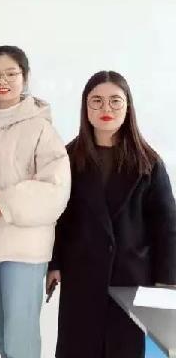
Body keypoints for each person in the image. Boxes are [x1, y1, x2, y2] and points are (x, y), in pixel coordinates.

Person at [48, 70, 176, 358]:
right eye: (97, 101)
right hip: (82, 276)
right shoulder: (66, 158)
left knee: (126, 350)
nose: (106, 108)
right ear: (85, 107)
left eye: (115, 101)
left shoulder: (149, 162)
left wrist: (167, 281)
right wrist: (54, 263)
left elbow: (167, 226)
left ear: (128, 107)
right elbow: (56, 218)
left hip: (133, 279)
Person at [0, 45, 71, 358]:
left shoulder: (41, 127)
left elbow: (55, 188)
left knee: (20, 337)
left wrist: (2, 202)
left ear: (25, 77)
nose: (2, 81)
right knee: (1, 333)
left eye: (11, 73)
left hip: (24, 249)